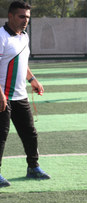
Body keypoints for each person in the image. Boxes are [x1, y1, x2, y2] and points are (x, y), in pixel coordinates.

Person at [0, 1, 51, 188]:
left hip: (20, 96)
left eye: (28, 17)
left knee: (30, 133)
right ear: (11, 16)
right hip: (2, 96)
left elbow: (23, 63)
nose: (25, 20)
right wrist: (0, 93)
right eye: (22, 16)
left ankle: (33, 167)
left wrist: (33, 80)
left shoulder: (24, 37)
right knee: (1, 136)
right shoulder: (1, 36)